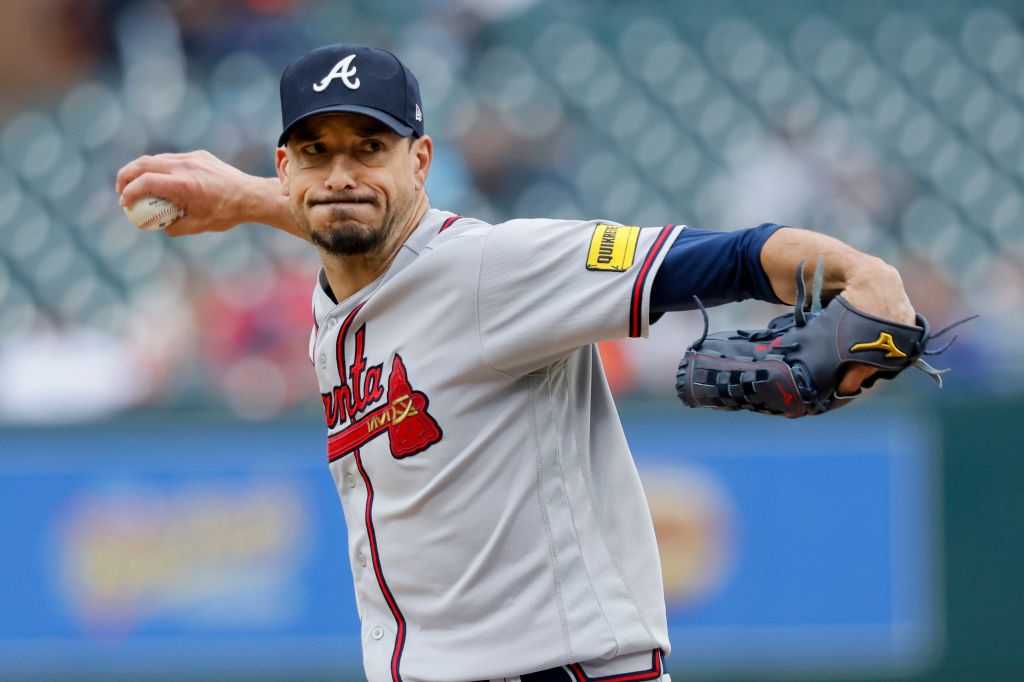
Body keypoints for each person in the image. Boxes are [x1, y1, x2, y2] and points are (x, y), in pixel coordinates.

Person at [116, 44, 915, 682]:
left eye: (371, 147)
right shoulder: (347, 289)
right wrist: (251, 200)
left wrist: (868, 279)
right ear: (284, 167)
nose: (343, 173)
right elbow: (357, 231)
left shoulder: (499, 269)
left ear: (421, 161)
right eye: (315, 151)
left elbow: (726, 257)